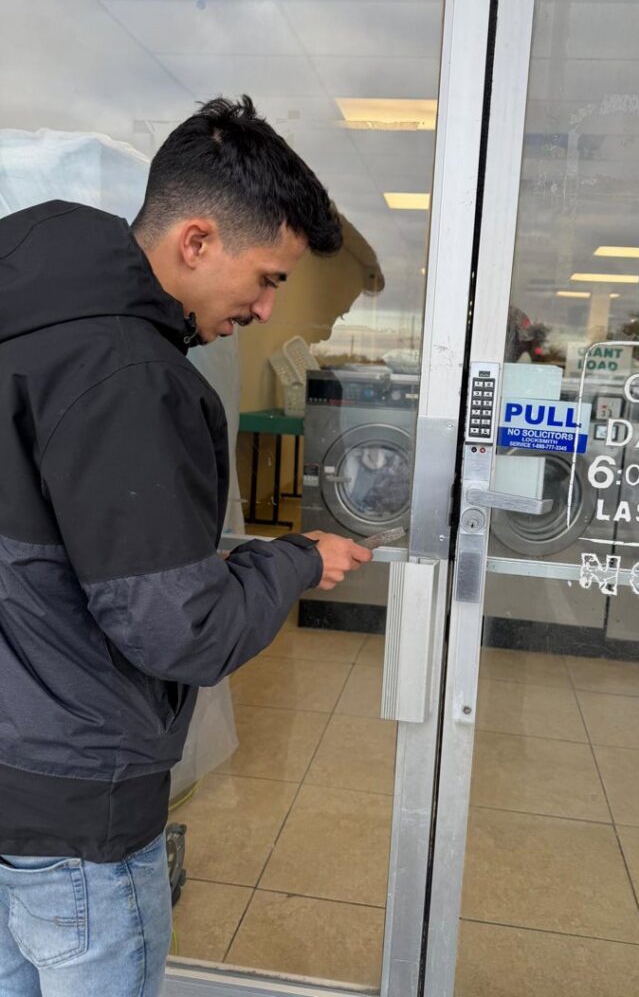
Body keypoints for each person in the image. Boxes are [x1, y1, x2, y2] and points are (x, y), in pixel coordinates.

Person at [0, 95, 372, 996]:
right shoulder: (126, 375)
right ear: (196, 241)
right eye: (270, 275)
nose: (267, 303)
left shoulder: (27, 328)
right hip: (76, 804)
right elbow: (178, 630)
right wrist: (293, 559)